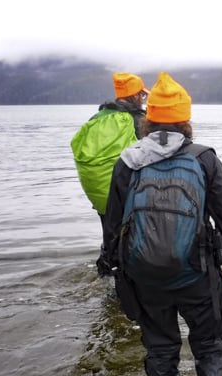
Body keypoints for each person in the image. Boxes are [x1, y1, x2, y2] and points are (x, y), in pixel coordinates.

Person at [102, 71, 222, 376]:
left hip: (144, 275)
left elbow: (112, 225)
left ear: (148, 121)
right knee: (212, 345)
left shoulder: (128, 160)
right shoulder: (203, 158)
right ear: (186, 121)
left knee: (160, 344)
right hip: (196, 273)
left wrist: (117, 268)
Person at [70, 72, 149, 276]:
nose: (143, 99)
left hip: (101, 193)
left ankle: (107, 273)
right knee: (133, 240)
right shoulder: (137, 120)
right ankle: (128, 284)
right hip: (127, 195)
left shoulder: (96, 119)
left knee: (111, 235)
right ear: (135, 96)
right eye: (142, 95)